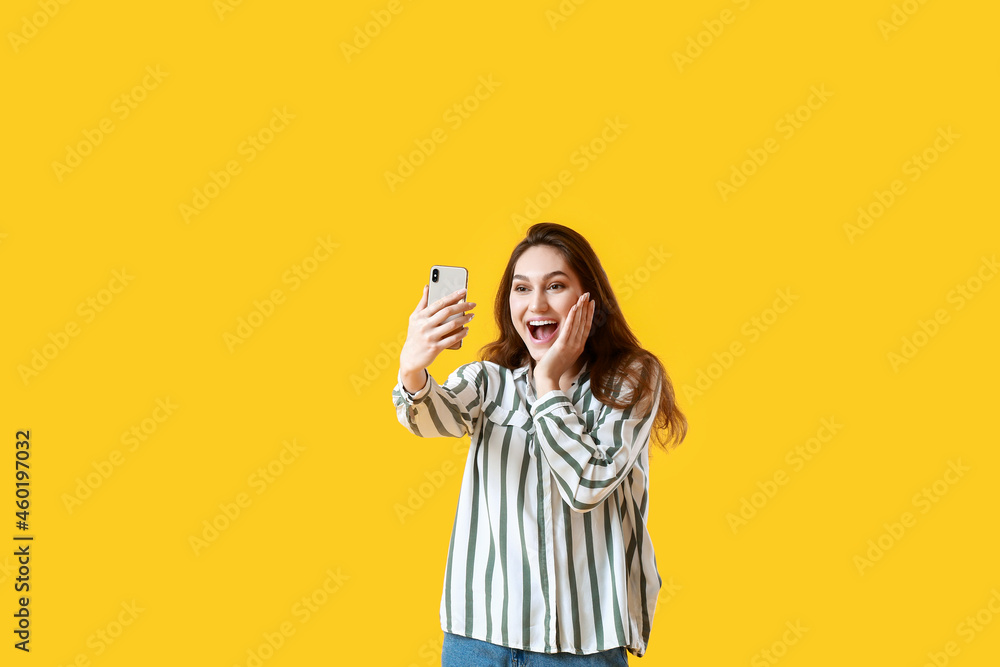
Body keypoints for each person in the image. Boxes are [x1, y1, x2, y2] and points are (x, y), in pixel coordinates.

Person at [392, 222, 687, 665]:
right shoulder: (490, 382)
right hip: (479, 640)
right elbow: (430, 416)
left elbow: (587, 484)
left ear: (591, 299)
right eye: (522, 288)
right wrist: (413, 370)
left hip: (582, 644)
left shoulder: (631, 380)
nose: (537, 304)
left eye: (556, 285)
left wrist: (549, 383)